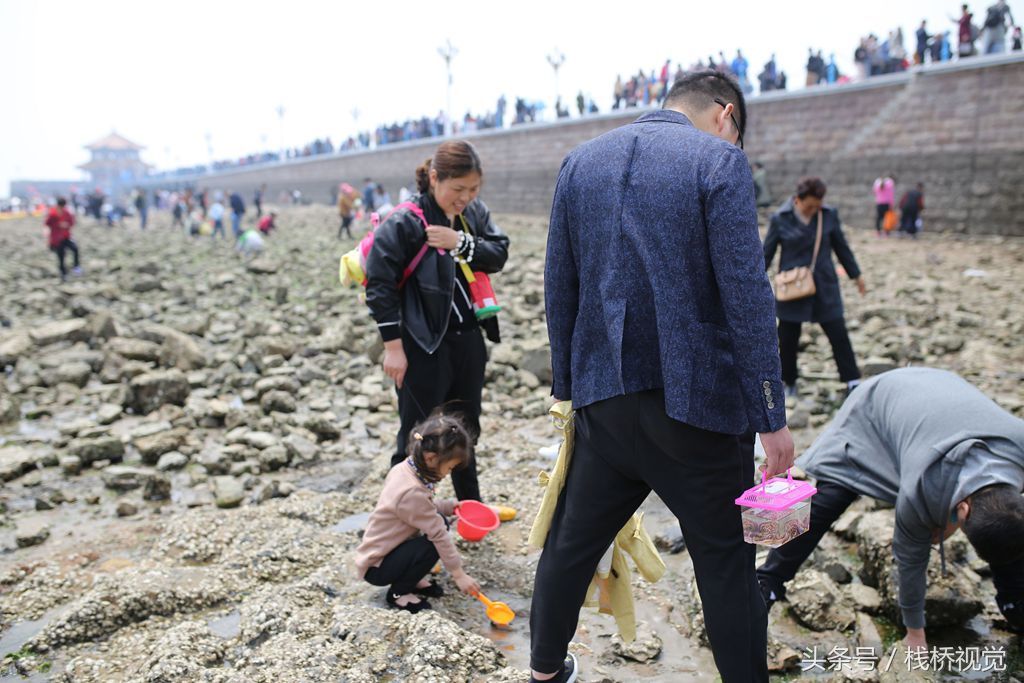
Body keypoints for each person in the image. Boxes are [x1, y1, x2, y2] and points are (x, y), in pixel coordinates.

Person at [533, 70, 795, 683]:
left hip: (604, 403)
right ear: (726, 116)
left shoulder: (581, 163)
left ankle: (545, 670)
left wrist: (569, 389)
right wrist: (770, 417)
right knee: (726, 567)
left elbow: (559, 285)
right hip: (697, 414)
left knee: (571, 545)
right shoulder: (719, 163)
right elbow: (748, 298)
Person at [757, 368, 1024, 646]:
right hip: (876, 407)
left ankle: (1015, 601)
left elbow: (1005, 516)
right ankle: (769, 579)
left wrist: (951, 523)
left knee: (1006, 527)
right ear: (963, 509)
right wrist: (915, 633)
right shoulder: (920, 486)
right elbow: (910, 558)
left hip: (938, 398)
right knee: (836, 489)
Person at [365, 140, 510, 505]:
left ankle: (469, 510)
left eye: (473, 189)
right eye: (457, 189)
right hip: (422, 345)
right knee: (417, 436)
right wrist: (393, 349)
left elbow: (499, 252)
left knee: (465, 432)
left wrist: (459, 241)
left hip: (468, 340)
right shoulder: (404, 222)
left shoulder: (472, 215)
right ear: (433, 178)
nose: (465, 197)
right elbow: (379, 286)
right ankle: (401, 519)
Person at [354, 415, 482, 613]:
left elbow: (422, 509)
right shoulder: (411, 492)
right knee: (435, 539)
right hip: (378, 566)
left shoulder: (406, 469)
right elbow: (435, 530)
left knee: (440, 524)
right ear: (431, 458)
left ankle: (411, 577)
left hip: (387, 550)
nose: (449, 473)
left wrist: (451, 506)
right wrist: (458, 574)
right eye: (450, 467)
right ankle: (399, 593)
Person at [764, 177, 866, 398]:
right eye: (809, 206)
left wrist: (856, 275)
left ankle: (852, 381)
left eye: (817, 206)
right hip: (792, 289)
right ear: (798, 200)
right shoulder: (780, 219)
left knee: (838, 334)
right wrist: (753, 284)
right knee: (788, 340)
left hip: (824, 286)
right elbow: (766, 254)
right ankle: (788, 381)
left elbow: (842, 248)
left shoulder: (828, 215)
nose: (813, 210)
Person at [45, 197, 81, 281]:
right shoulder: (52, 213)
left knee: (75, 248)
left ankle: (76, 267)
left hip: (66, 236)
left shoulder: (67, 212)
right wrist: (57, 225)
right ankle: (63, 274)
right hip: (57, 239)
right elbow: (47, 223)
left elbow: (71, 222)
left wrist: (66, 225)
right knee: (61, 256)